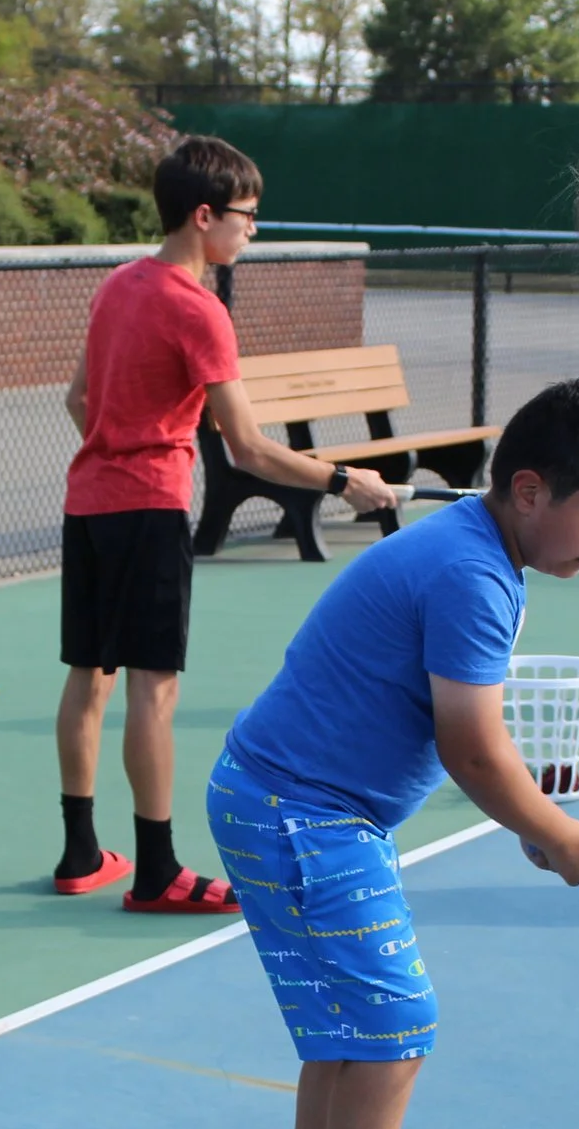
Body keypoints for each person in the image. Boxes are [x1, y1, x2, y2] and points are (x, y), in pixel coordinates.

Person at [208, 379, 579, 1129]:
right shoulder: (473, 576)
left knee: (347, 1033)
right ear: (531, 491)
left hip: (279, 800)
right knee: (394, 1028)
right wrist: (555, 829)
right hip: (305, 812)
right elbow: (474, 746)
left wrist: (537, 824)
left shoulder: (473, 542)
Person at [55, 135, 400, 912]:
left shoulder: (117, 286)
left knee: (89, 675)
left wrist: (121, 443)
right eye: (246, 216)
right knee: (156, 689)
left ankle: (81, 853)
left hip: (90, 502)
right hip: (147, 508)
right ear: (204, 215)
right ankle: (155, 871)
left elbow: (79, 400)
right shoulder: (199, 310)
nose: (252, 231)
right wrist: (347, 481)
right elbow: (246, 448)